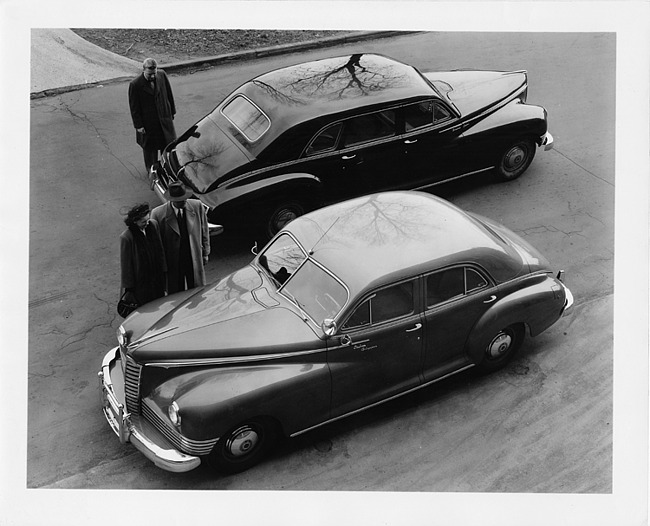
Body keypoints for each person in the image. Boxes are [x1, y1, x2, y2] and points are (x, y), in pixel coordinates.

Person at [150, 181, 210, 294]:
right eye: (180, 200)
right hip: (173, 261)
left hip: (192, 256)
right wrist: (161, 266)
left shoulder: (197, 206)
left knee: (198, 290)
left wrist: (205, 253)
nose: (184, 202)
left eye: (185, 198)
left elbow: (204, 230)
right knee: (176, 292)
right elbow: (156, 244)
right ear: (171, 200)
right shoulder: (158, 214)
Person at [128, 57, 177, 171]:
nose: (153, 76)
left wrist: (172, 112)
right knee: (151, 151)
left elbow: (169, 94)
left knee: (167, 146)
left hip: (164, 119)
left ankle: (168, 169)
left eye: (154, 73)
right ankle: (153, 173)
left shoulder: (162, 75)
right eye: (150, 74)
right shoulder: (135, 85)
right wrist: (138, 126)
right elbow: (134, 108)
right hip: (148, 124)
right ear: (143, 70)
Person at [119, 203, 167, 308]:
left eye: (148, 220)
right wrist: (129, 288)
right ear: (135, 221)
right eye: (143, 222)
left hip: (157, 277)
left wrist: (164, 270)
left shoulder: (153, 225)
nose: (147, 223)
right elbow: (126, 265)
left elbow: (160, 249)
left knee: (160, 304)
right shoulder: (127, 237)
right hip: (141, 283)